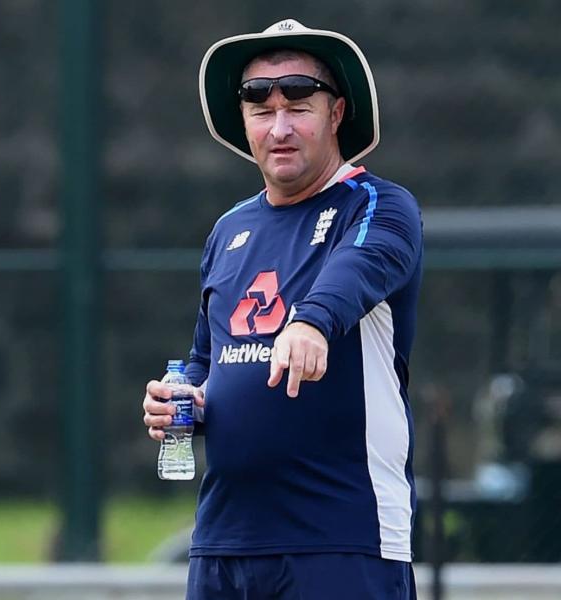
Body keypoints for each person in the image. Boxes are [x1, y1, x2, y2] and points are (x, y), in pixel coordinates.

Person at [142, 19, 422, 599]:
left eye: (299, 105)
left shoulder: (378, 204)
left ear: (337, 113)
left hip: (342, 537)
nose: (280, 127)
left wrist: (312, 320)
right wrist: (183, 398)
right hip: (224, 541)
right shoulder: (228, 228)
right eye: (261, 110)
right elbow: (206, 358)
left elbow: (360, 267)